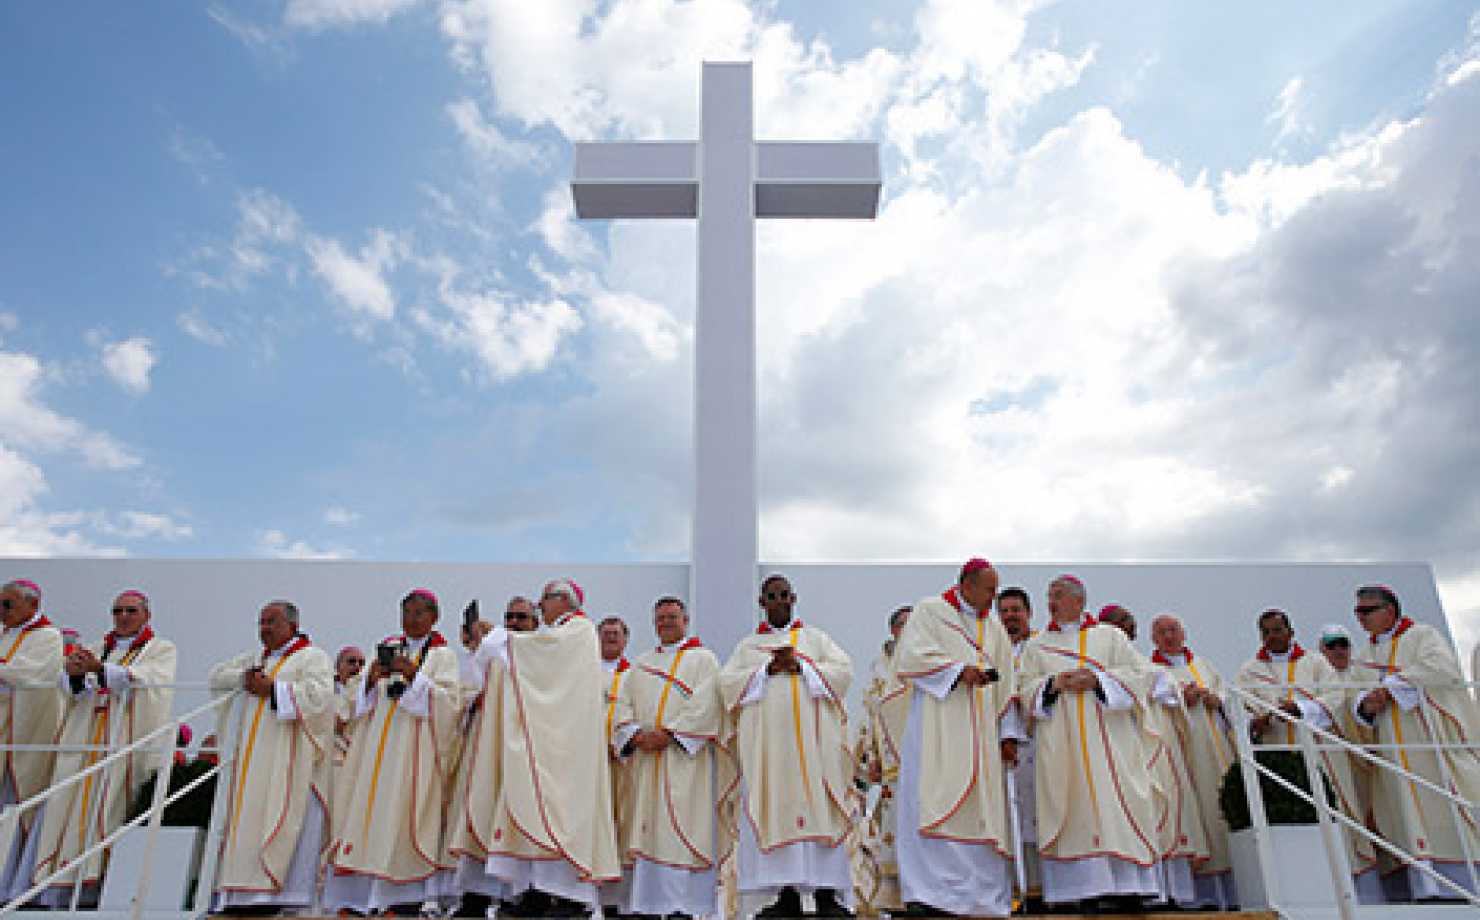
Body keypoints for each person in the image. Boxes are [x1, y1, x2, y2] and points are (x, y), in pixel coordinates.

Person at [459, 578, 621, 917]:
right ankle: (535, 892)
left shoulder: (578, 630)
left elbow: (541, 656)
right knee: (532, 803)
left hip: (565, 747)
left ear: (564, 600)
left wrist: (499, 638)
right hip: (546, 739)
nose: (540, 606)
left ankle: (568, 897)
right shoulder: (556, 633)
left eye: (544, 599)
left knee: (562, 813)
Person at [1017, 574, 1162, 913]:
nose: (1051, 602)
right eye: (1049, 595)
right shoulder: (1037, 646)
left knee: (1117, 804)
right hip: (1062, 743)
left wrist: (1097, 680)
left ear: (1079, 601)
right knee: (1072, 807)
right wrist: (1054, 684)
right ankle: (1078, 889)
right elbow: (1025, 689)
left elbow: (1139, 676)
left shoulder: (1109, 637)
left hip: (1111, 741)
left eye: (1059, 595)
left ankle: (1127, 886)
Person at [715, 574, 854, 918]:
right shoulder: (749, 647)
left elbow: (843, 671)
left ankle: (826, 895)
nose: (779, 600)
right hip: (771, 754)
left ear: (794, 598)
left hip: (814, 749)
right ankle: (786, 895)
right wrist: (767, 669)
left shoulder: (815, 639)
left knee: (821, 810)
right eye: (771, 596)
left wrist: (802, 666)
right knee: (774, 808)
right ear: (762, 604)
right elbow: (727, 685)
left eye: (784, 595)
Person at [30, 590, 177, 906]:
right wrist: (73, 675)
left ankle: (99, 888)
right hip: (86, 742)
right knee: (66, 808)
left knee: (110, 810)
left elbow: (152, 682)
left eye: (131, 611)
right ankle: (61, 888)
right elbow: (74, 692)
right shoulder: (96, 648)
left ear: (146, 616)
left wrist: (99, 670)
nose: (123, 617)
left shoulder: (160, 649)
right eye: (117, 611)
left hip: (123, 743)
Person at [893, 558, 1021, 918]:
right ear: (967, 585)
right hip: (937, 724)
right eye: (989, 590)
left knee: (980, 810)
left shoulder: (993, 628)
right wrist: (957, 671)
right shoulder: (930, 611)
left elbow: (1007, 683)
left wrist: (1007, 734)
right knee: (933, 797)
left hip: (979, 732)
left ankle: (978, 898)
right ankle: (929, 896)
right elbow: (911, 656)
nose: (993, 598)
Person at [325, 589, 461, 915]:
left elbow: (450, 704)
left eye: (418, 613)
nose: (411, 620)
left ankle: (403, 902)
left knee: (402, 821)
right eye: (406, 612)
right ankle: (359, 901)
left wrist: (415, 676)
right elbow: (356, 705)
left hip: (414, 753)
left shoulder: (443, 656)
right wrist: (371, 682)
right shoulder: (389, 647)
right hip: (378, 753)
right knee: (369, 817)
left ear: (434, 618)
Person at [1236, 608, 1379, 899]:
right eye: (1266, 632)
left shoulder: (1315, 664)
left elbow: (1335, 697)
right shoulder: (1249, 671)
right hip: (1279, 755)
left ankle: (1355, 894)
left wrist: (1299, 709)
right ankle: (1304, 891)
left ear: (1290, 632)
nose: (1272, 637)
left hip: (1322, 755)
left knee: (1337, 815)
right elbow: (1240, 709)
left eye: (1277, 630)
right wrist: (1256, 721)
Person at [1352, 585, 1480, 900]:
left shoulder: (1422, 636)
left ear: (1390, 611)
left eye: (1366, 611)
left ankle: (1464, 886)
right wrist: (1365, 705)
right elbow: (1353, 694)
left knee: (1448, 812)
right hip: (1393, 751)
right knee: (1407, 819)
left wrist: (1391, 687)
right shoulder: (1365, 654)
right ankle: (1425, 889)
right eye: (1358, 612)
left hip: (1428, 742)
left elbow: (1441, 667)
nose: (1360, 618)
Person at [209, 600, 335, 913]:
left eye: (272, 622)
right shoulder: (253, 660)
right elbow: (216, 677)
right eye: (261, 622)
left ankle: (274, 896)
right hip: (250, 761)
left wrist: (275, 690)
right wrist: (244, 679)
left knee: (280, 816)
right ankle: (238, 895)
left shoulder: (312, 657)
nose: (264, 629)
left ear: (292, 625)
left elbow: (320, 699)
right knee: (245, 819)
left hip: (286, 758)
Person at [608, 596, 728, 918]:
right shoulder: (641, 665)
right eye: (660, 618)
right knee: (650, 832)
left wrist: (672, 734)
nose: (666, 623)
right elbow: (621, 704)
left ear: (685, 620)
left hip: (684, 763)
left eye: (672, 617)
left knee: (683, 832)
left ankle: (684, 906)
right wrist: (633, 734)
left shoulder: (704, 660)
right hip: (647, 764)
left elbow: (706, 705)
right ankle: (648, 905)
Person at [1100, 605, 1209, 909]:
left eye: (1123, 624)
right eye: (1111, 626)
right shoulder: (1100, 663)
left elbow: (1164, 686)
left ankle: (1173, 894)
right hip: (1120, 750)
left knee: (1165, 814)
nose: (1118, 631)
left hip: (1154, 748)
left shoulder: (1145, 664)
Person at [436, 596, 537, 917]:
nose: (515, 623)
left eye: (522, 617)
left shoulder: (540, 655)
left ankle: (514, 897)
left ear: (535, 623)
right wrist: (473, 701)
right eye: (510, 617)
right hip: (482, 751)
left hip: (520, 754)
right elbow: (463, 695)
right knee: (477, 816)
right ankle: (475, 896)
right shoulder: (489, 655)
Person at [1148, 613, 1236, 909]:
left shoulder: (1203, 666)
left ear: (1183, 633)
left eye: (1173, 630)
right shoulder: (1152, 671)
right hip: (1183, 755)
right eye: (1162, 632)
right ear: (1154, 639)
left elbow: (1226, 698)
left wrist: (1217, 701)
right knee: (1195, 819)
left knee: (1222, 814)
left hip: (1217, 750)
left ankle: (1231, 895)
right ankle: (1202, 897)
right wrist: (1180, 700)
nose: (1169, 636)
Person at [0, 579, 64, 903]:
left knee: (20, 805)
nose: (1, 611)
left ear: (32, 606)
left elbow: (33, 674)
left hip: (25, 736)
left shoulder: (49, 637)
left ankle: (12, 884)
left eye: (7, 604)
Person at [853, 606, 910, 914]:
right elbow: (871, 713)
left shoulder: (928, 660)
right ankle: (895, 900)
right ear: (894, 630)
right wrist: (871, 755)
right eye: (905, 625)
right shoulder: (881, 667)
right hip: (891, 762)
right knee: (892, 826)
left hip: (927, 757)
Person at [996, 587, 1042, 910]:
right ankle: (1014, 893)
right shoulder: (990, 651)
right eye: (1005, 611)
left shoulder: (1041, 649)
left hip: (1039, 744)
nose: (1011, 617)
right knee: (1008, 822)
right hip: (999, 748)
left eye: (1017, 610)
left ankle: (1042, 892)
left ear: (1029, 614)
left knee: (1040, 818)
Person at [595, 615, 632, 915]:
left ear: (625, 639)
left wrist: (620, 745)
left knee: (623, 830)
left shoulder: (636, 675)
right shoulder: (585, 673)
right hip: (590, 767)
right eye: (605, 634)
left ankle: (619, 902)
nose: (610, 639)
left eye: (615, 634)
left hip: (624, 765)